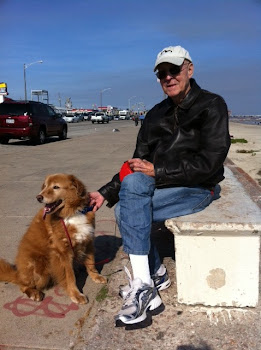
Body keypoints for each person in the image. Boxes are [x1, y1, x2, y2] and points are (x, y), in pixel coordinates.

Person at [89, 45, 230, 328]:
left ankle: (151, 278)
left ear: (189, 69)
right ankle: (149, 281)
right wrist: (105, 192)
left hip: (199, 187)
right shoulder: (154, 114)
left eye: (174, 70)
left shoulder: (211, 106)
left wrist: (159, 171)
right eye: (162, 73)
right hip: (161, 184)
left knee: (127, 213)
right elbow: (137, 164)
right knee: (130, 199)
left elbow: (211, 162)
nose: (168, 77)